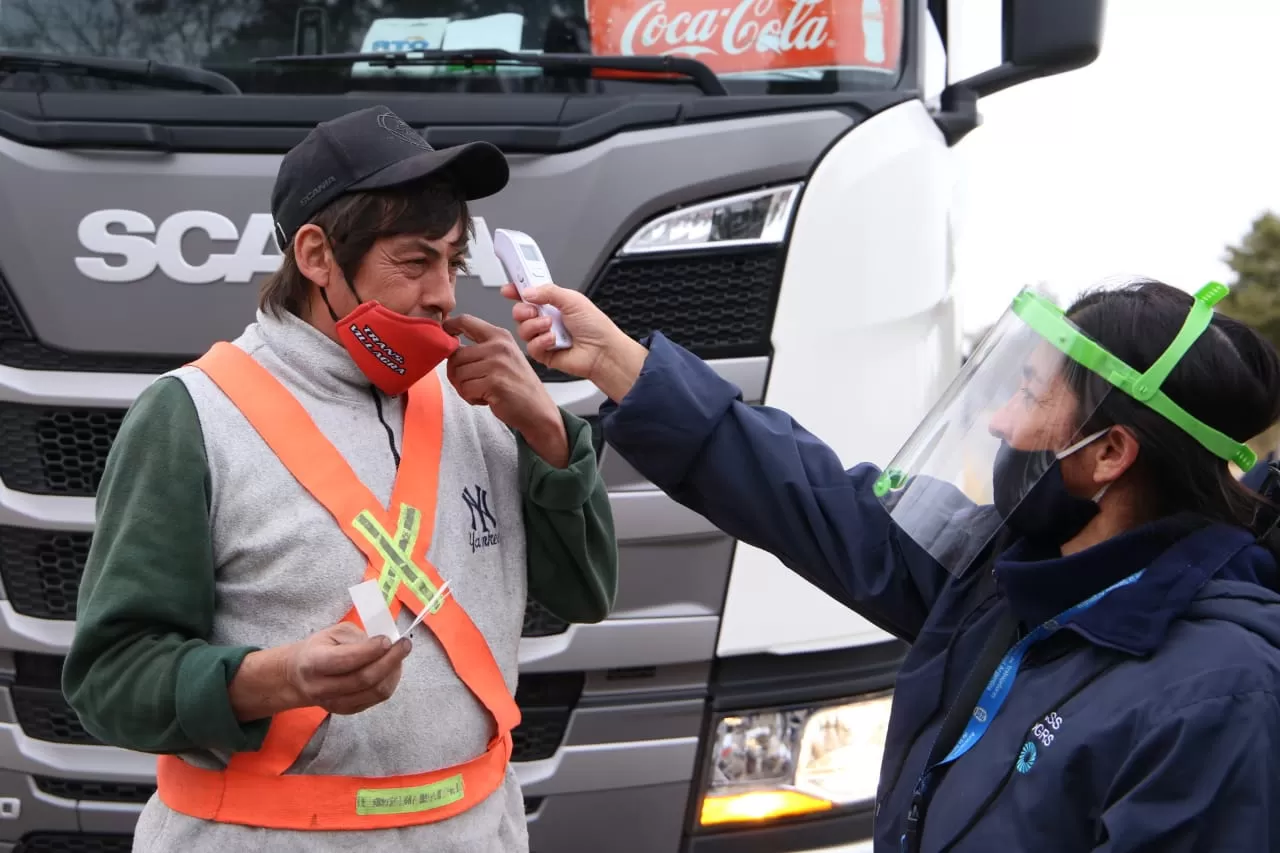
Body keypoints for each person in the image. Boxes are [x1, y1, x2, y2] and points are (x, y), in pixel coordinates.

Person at [505, 276, 1280, 851]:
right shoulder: (1011, 577)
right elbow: (806, 496)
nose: (1002, 422)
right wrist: (616, 361)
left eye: (1029, 395)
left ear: (1109, 453)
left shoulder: (1218, 692)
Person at [62, 105, 619, 853]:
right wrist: (277, 677)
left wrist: (552, 436)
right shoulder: (190, 414)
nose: (445, 296)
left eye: (453, 263)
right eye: (415, 261)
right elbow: (108, 681)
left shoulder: (485, 399)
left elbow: (587, 593)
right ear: (318, 256)